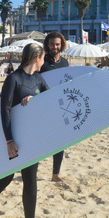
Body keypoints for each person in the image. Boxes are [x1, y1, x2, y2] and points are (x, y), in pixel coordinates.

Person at [0, 43, 49, 218]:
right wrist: (9, 140)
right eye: (43, 57)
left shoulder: (39, 79)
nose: (43, 61)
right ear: (36, 57)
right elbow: (5, 110)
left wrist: (35, 99)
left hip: (32, 138)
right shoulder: (13, 79)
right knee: (5, 178)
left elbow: (51, 102)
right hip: (12, 137)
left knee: (30, 180)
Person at [39, 31, 69, 182]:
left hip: (60, 106)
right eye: (51, 44)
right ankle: (30, 171)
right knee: (38, 140)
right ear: (47, 45)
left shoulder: (65, 63)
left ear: (61, 45)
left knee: (60, 141)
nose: (54, 47)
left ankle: (55, 174)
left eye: (57, 44)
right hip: (44, 106)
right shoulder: (41, 61)